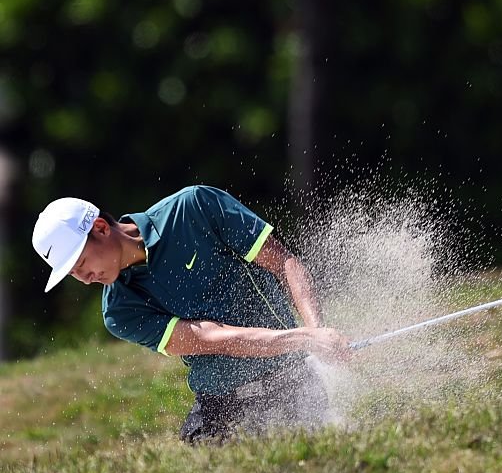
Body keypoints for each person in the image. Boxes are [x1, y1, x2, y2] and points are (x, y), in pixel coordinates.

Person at [31, 185, 350, 444]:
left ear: (100, 228)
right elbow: (213, 338)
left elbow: (283, 262)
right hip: (222, 406)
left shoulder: (194, 207)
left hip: (291, 385)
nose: (84, 278)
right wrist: (304, 338)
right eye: (72, 273)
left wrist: (317, 331)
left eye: (81, 262)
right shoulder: (118, 311)